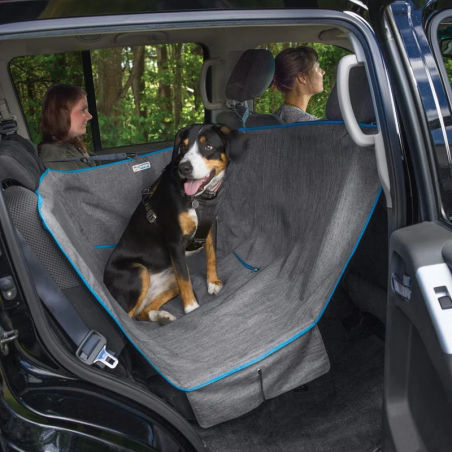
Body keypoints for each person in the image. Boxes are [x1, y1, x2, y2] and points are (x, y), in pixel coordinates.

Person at [38, 84, 95, 170]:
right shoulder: (56, 156)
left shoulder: (73, 144)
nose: (90, 116)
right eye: (83, 110)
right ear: (62, 114)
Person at [272, 46, 325, 123]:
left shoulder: (275, 117)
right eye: (318, 67)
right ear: (302, 77)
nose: (323, 72)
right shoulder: (310, 123)